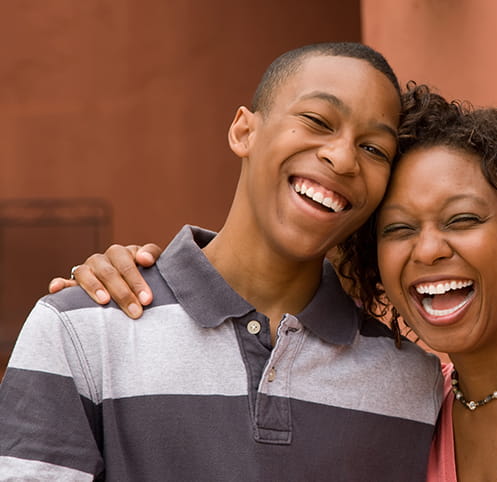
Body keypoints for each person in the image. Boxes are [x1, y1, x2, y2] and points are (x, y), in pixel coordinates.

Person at [54, 87, 497, 480]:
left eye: (462, 220)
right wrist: (117, 296)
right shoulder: (409, 400)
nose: (428, 249)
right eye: (398, 230)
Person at [0, 42, 443, 480]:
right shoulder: (79, 330)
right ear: (243, 131)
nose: (343, 157)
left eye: (374, 149)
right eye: (316, 120)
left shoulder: (415, 385)